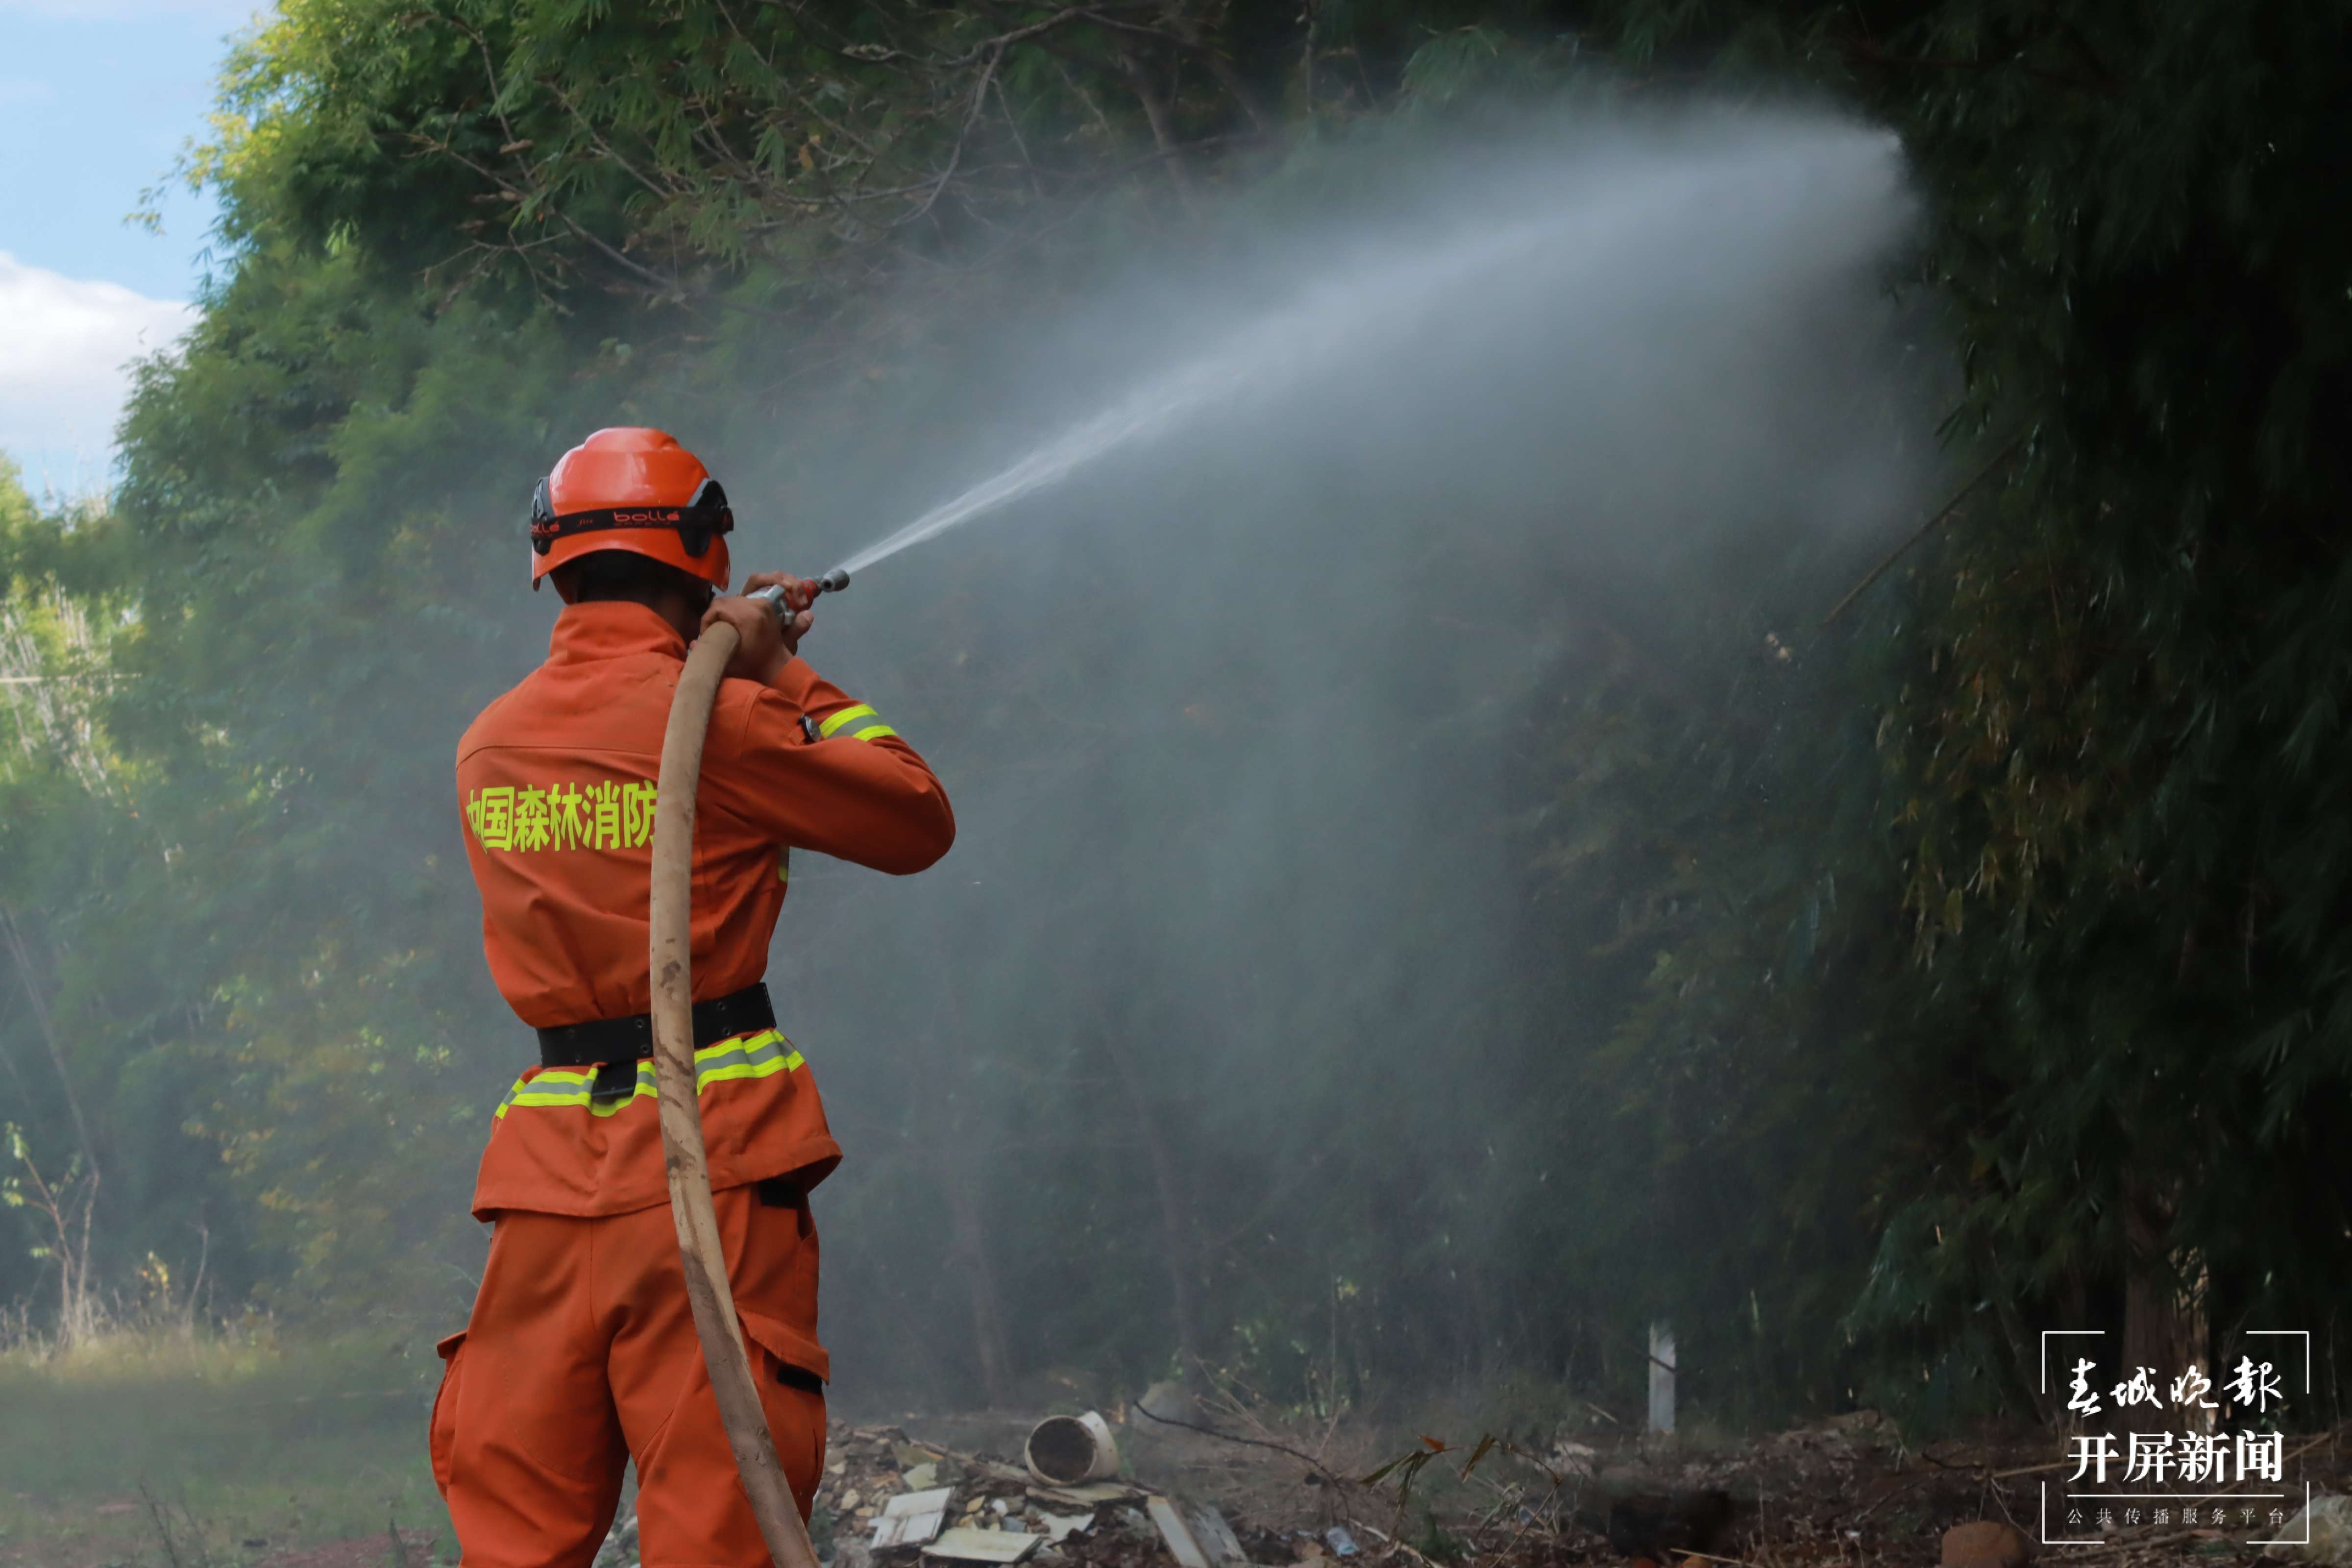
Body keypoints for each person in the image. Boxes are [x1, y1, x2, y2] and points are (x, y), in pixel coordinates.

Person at [430, 426, 955, 1567]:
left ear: (551, 562)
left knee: (514, 1520)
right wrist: (782, 669)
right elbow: (915, 814)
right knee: (720, 1515)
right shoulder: (716, 718)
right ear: (706, 553)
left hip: (545, 1185)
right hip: (707, 1165)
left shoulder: (490, 742)